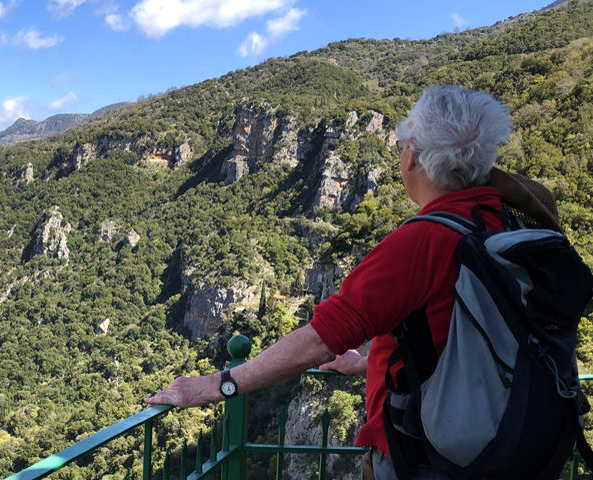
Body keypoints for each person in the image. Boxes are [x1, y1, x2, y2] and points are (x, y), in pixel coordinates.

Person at [144, 85, 562, 479]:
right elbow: (464, 336)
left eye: (403, 145)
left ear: (412, 157)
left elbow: (322, 337)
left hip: (430, 459)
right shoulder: (501, 224)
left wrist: (218, 384)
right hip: (512, 437)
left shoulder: (425, 240)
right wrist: (366, 364)